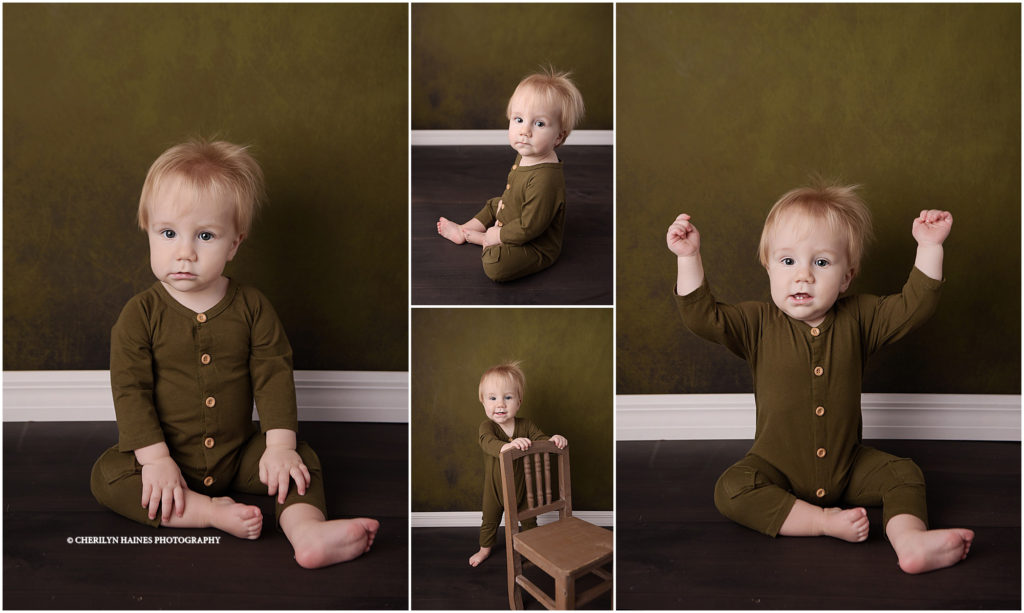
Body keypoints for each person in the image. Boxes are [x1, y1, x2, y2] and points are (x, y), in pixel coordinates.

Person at [90, 139, 378, 569]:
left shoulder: (252, 306)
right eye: (168, 234)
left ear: (234, 244)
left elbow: (273, 373)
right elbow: (130, 389)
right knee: (107, 476)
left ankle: (306, 530)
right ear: (148, 229)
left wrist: (279, 446)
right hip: (166, 457)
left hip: (238, 452)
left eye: (205, 236)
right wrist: (154, 460)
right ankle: (205, 512)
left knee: (303, 460)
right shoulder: (141, 314)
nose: (184, 252)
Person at [666, 183, 973, 574]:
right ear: (768, 266)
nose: (803, 277)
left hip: (849, 466)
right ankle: (818, 521)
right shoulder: (756, 323)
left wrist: (930, 248)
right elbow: (702, 317)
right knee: (730, 489)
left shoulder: (860, 317)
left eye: (822, 263)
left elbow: (914, 307)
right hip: (776, 467)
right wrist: (688, 256)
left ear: (847, 277)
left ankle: (909, 540)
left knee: (904, 473)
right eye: (788, 261)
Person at [437, 67, 585, 282]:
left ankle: (479, 238)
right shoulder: (529, 152)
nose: (525, 131)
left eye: (539, 123)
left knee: (495, 266)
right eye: (518, 120)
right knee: (494, 205)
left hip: (535, 244)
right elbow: (514, 195)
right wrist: (502, 215)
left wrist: (498, 235)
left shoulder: (546, 180)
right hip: (517, 218)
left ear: (558, 137)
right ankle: (463, 230)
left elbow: (530, 227)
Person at [469, 362, 568, 567]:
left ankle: (532, 549)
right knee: (489, 519)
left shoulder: (526, 425)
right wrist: (509, 445)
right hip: (495, 488)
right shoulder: (487, 427)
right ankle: (484, 549)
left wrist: (554, 439)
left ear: (519, 402)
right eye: (493, 398)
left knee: (529, 520)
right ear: (483, 402)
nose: (500, 404)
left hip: (523, 486)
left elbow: (542, 439)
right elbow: (488, 443)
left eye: (508, 397)